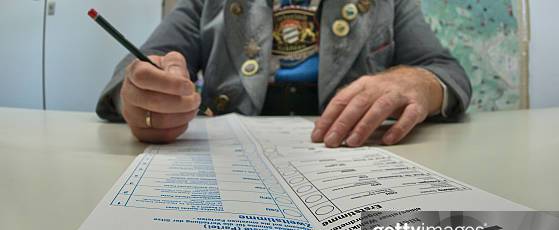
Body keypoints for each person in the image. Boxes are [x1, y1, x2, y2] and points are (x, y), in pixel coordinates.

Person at [96, 0, 471, 147]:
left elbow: (444, 71)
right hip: (231, 164)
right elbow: (147, 62)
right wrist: (144, 92)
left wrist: (417, 81)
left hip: (354, 161)